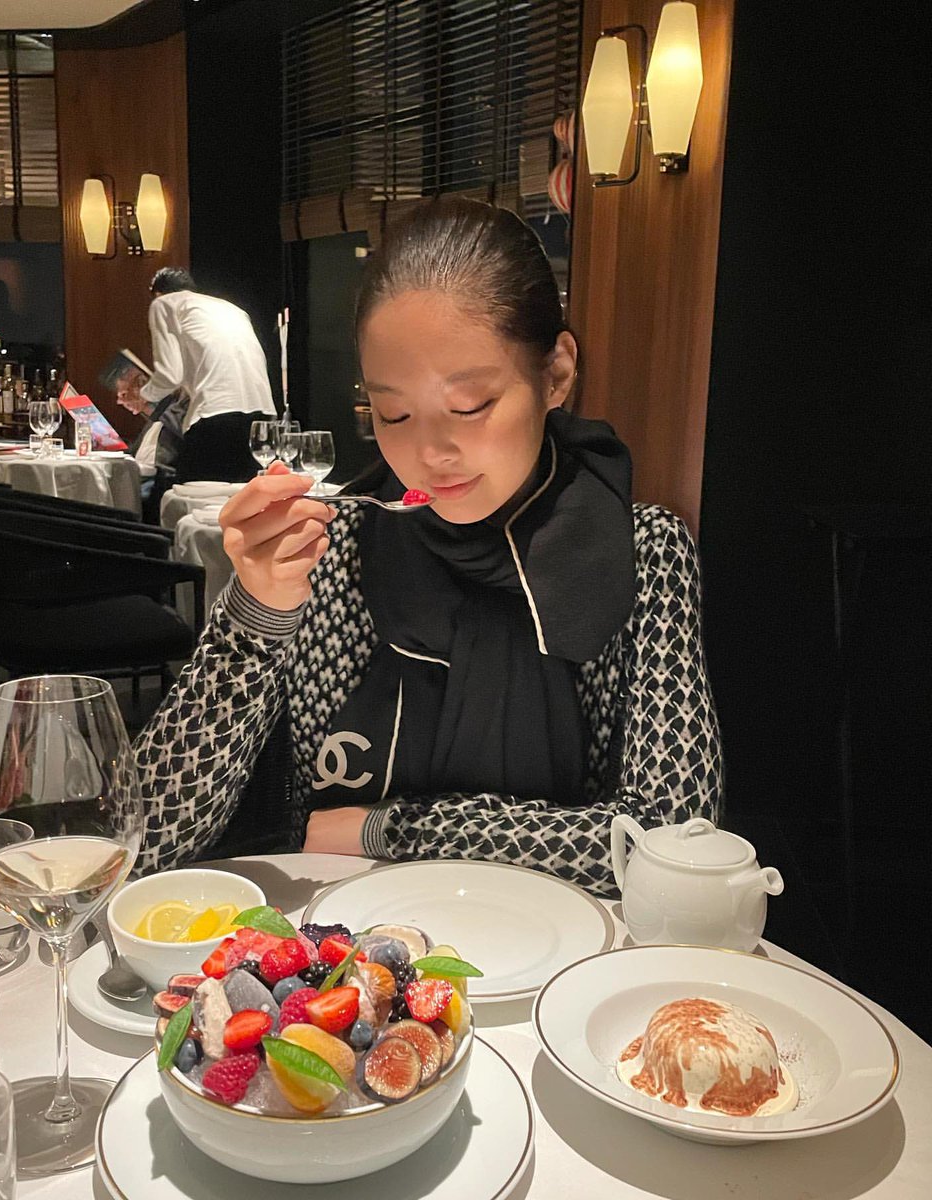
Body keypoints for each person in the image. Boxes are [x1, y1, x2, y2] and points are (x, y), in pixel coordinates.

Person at [133, 198, 723, 893]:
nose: (430, 452)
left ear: (556, 373)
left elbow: (671, 844)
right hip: (340, 945)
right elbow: (145, 837)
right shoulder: (333, 545)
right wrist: (255, 615)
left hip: (564, 950)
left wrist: (386, 830)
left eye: (470, 406)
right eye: (393, 413)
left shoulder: (642, 551)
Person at [125, 267, 276, 483]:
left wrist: (142, 395)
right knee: (243, 495)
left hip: (215, 414)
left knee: (195, 496)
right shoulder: (232, 309)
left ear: (158, 293)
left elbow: (170, 375)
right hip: (262, 415)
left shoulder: (163, 303)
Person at [117, 380, 189, 524]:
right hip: (141, 475)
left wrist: (149, 400)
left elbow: (178, 431)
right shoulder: (169, 402)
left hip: (157, 482)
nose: (119, 401)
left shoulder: (185, 405)